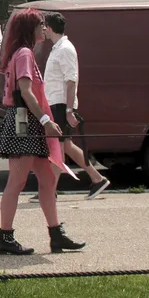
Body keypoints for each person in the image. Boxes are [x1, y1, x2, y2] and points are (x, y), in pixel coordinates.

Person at [0, 8, 85, 255]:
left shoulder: (22, 53)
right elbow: (26, 91)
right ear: (30, 28)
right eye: (40, 24)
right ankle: (6, 237)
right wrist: (45, 120)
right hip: (26, 120)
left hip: (26, 120)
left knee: (48, 179)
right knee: (17, 181)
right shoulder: (24, 53)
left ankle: (56, 235)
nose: (44, 28)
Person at [40, 13, 111, 199]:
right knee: (66, 146)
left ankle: (49, 191)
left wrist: (69, 110)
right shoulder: (58, 48)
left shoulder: (65, 49)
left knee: (58, 147)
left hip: (61, 105)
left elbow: (71, 81)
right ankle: (97, 179)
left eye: (44, 26)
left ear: (49, 27)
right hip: (57, 103)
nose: (42, 29)